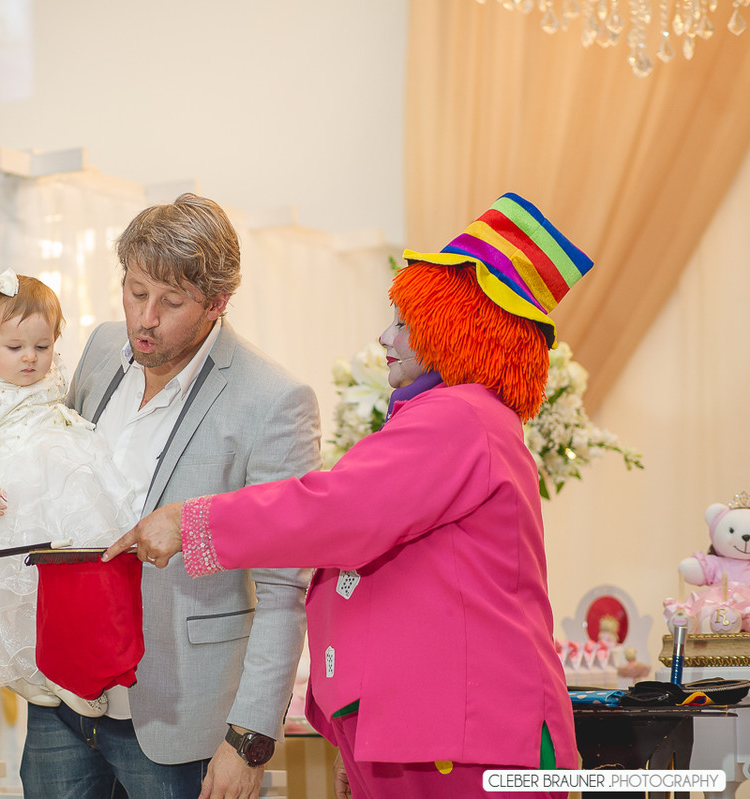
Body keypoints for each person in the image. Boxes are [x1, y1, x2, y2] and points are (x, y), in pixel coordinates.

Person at [108, 193, 590, 798]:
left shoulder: (461, 420)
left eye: (406, 323)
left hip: (464, 737)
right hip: (428, 732)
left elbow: (337, 513)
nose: (386, 337)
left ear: (457, 331)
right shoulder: (455, 418)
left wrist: (195, 523)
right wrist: (360, 725)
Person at [20, 193, 322, 799]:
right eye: (135, 292)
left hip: (181, 717)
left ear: (216, 304)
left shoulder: (274, 401)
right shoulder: (103, 348)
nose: (145, 319)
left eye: (171, 302)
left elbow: (287, 588)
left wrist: (248, 740)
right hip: (65, 695)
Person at [0, 270, 138, 716]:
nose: (31, 359)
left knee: (63, 584)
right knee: (7, 591)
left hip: (60, 488)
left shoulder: (50, 375)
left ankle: (66, 668)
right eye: (14, 348)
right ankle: (23, 671)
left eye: (43, 346)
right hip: (6, 500)